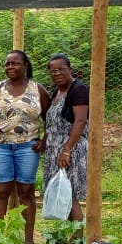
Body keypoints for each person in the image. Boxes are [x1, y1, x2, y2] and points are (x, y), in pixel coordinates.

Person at [0, 50, 50, 243]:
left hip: (28, 147)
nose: (10, 67)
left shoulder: (38, 90)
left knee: (26, 192)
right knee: (0, 191)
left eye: (15, 63)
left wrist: (45, 139)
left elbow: (51, 119)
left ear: (25, 66)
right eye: (7, 64)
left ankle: (28, 239)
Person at [44, 53, 90, 223]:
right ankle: (69, 237)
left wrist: (67, 150)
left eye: (61, 69)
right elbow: (52, 123)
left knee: (71, 194)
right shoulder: (56, 91)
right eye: (53, 70)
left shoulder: (78, 89)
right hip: (55, 149)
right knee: (63, 194)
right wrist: (45, 140)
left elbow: (80, 121)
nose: (57, 73)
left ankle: (77, 239)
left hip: (72, 149)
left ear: (70, 69)